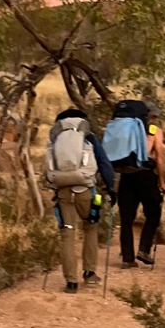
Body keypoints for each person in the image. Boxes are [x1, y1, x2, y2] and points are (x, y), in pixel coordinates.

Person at [44, 107, 116, 292]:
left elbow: (48, 171)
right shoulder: (89, 137)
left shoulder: (55, 140)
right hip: (85, 190)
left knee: (67, 233)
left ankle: (71, 282)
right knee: (90, 226)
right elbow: (104, 164)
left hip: (63, 192)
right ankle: (89, 273)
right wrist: (110, 188)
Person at [103, 100, 165, 268]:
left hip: (126, 174)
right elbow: (159, 158)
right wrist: (162, 181)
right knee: (153, 212)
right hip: (146, 176)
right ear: (151, 116)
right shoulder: (155, 131)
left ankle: (127, 258)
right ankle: (144, 249)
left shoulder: (124, 130)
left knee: (126, 217)